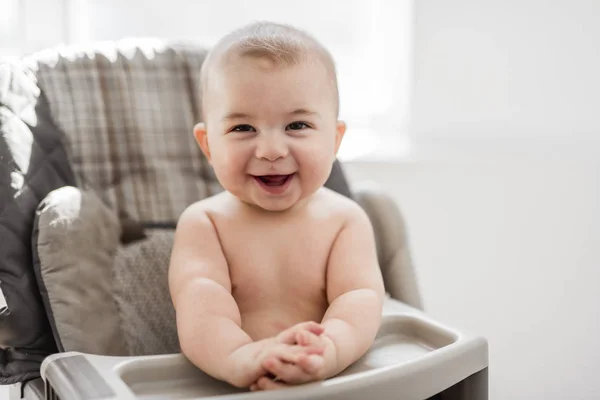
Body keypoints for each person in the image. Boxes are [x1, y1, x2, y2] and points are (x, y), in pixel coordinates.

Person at [168, 21, 385, 392]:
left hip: (333, 384)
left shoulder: (344, 221)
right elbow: (202, 310)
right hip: (235, 384)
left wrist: (326, 352)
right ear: (208, 145)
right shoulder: (205, 224)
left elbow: (358, 302)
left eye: (297, 125)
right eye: (243, 128)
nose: (271, 150)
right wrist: (241, 359)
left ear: (334, 140)